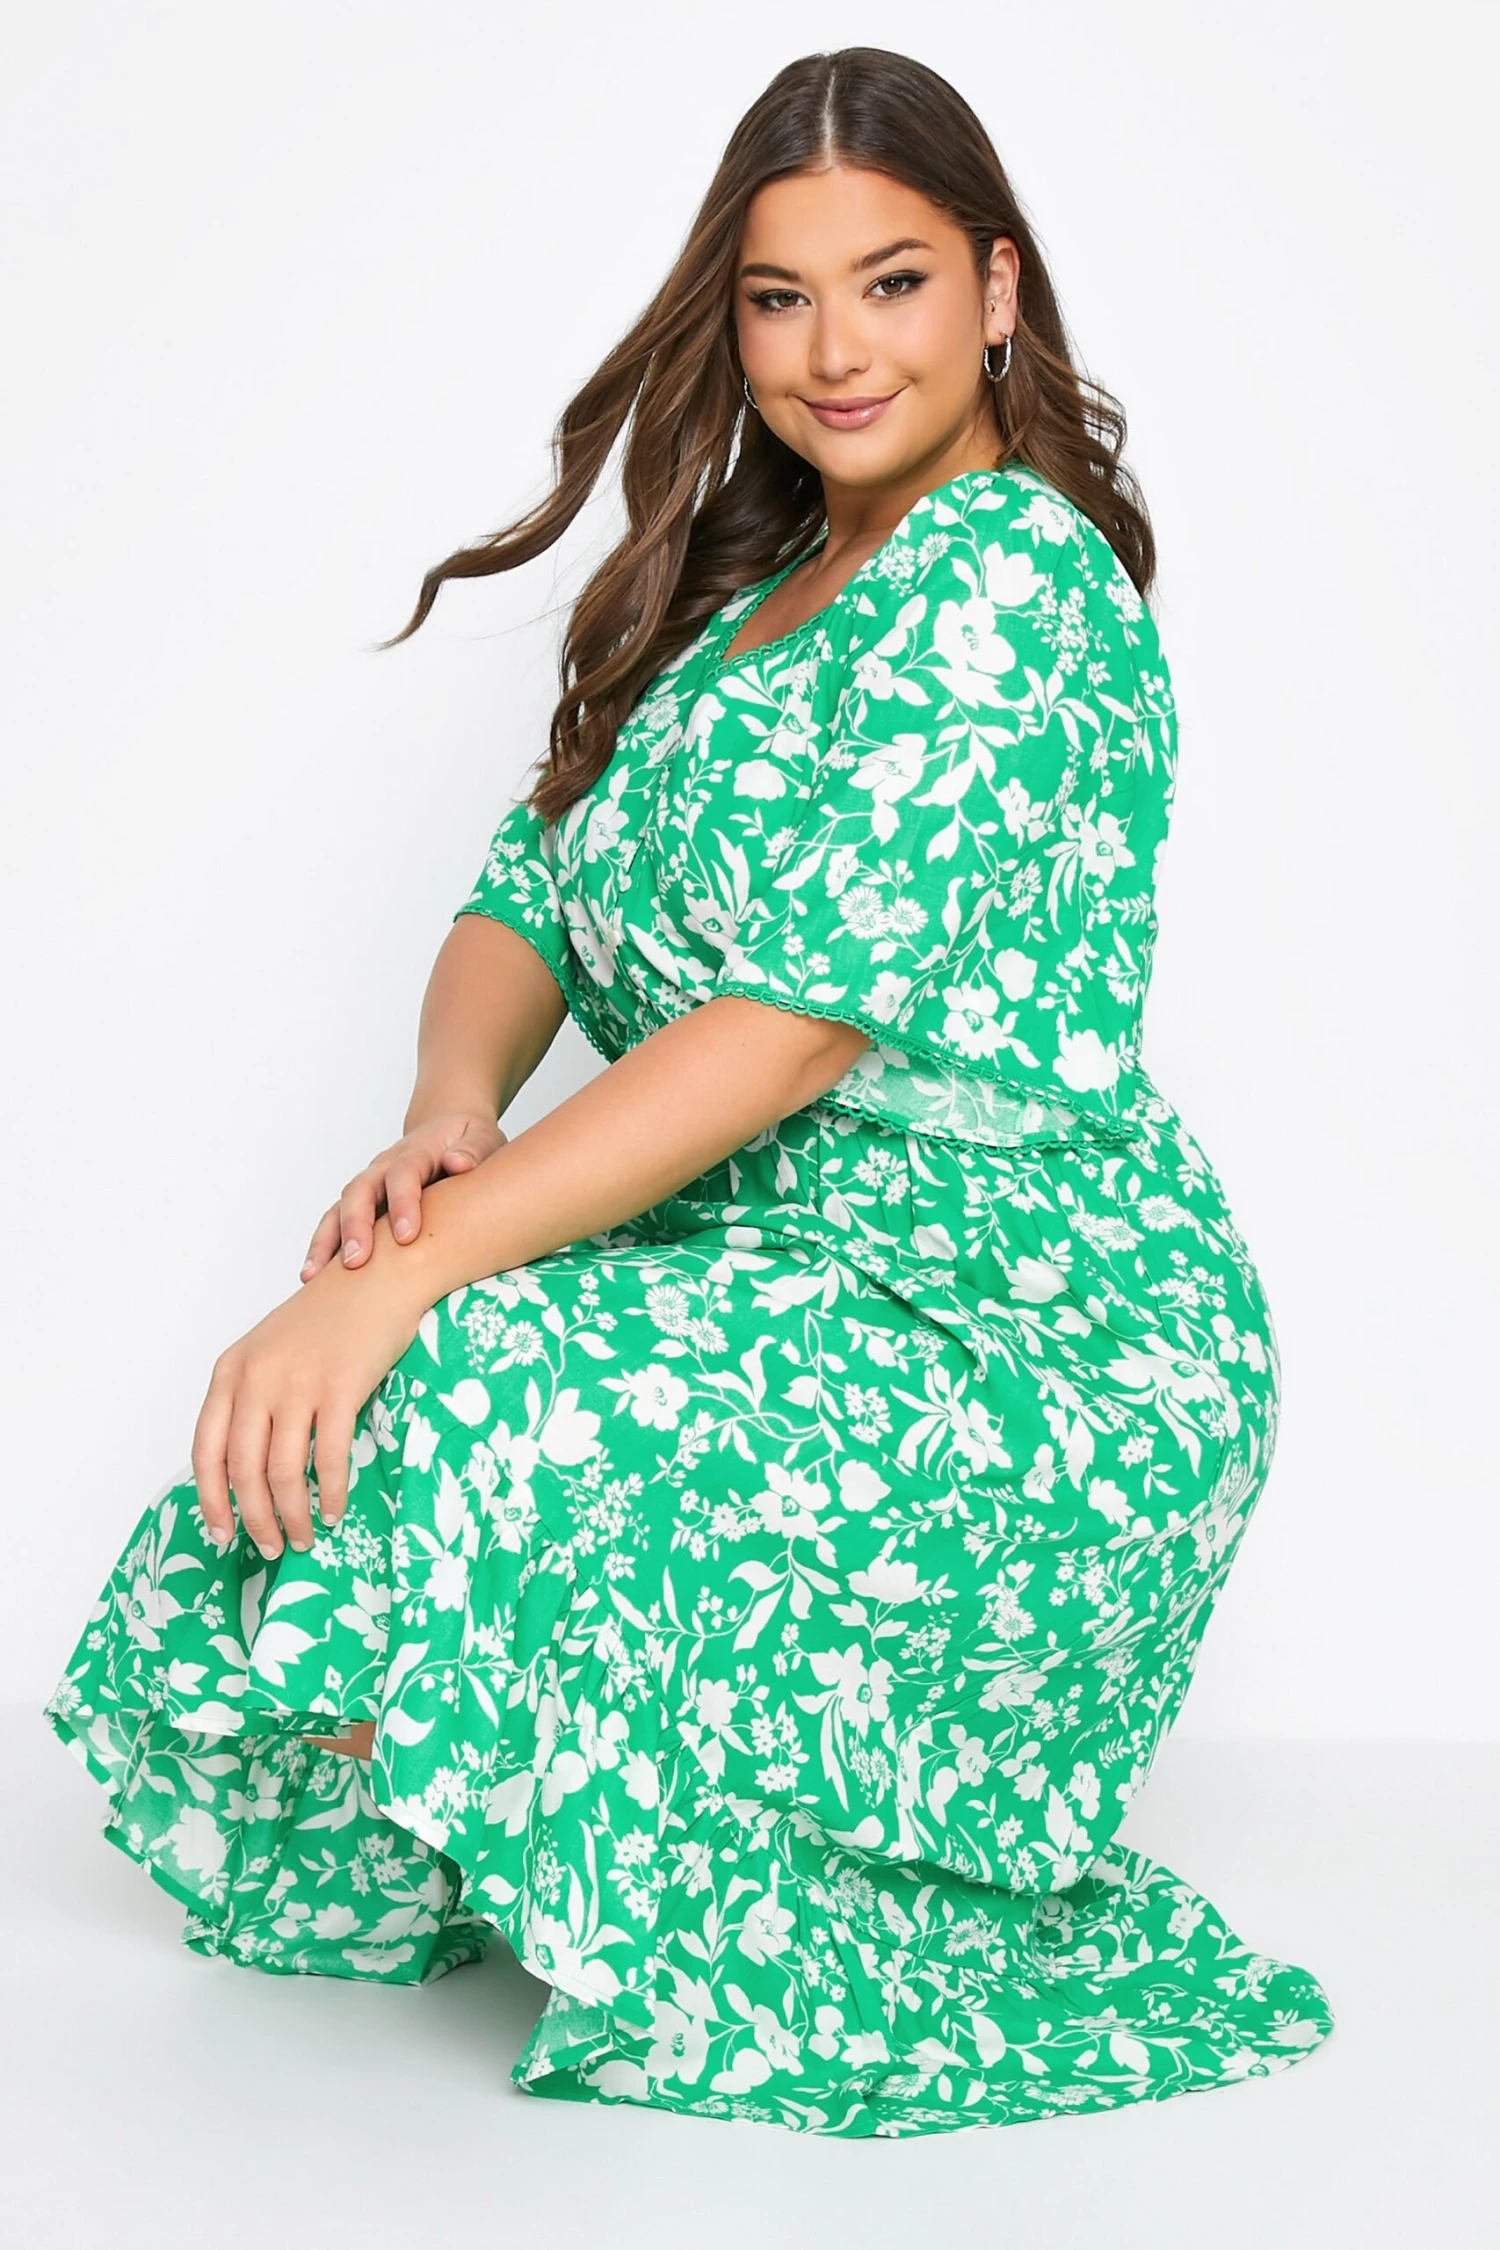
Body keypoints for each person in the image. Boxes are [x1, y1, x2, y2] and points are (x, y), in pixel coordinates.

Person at [43, 46, 1334, 2138]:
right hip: (787, 1271)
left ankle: (744, 1890)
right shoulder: (734, 600)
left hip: (1039, 1341)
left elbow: (795, 1025)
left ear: (998, 288)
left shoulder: (1014, 575)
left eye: (893, 283)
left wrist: (409, 1273)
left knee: (460, 1368)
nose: (838, 352)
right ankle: (617, 1825)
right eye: (780, 298)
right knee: (381, 1408)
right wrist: (450, 1113)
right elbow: (524, 895)